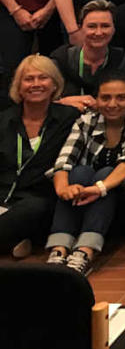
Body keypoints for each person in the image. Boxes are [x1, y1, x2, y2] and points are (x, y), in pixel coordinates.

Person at [44, 70, 125, 274]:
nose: (112, 104)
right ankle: (59, 249)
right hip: (86, 200)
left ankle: (84, 252)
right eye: (105, 97)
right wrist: (64, 189)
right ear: (96, 98)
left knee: (106, 172)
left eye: (121, 97)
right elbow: (64, 160)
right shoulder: (86, 121)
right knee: (79, 173)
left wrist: (98, 189)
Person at [0, 56, 79, 257]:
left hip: (38, 200)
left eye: (43, 78)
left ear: (55, 84)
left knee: (34, 207)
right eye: (28, 79)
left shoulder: (69, 118)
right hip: (2, 197)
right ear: (19, 87)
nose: (36, 84)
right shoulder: (4, 120)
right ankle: (13, 241)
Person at [50, 0, 125, 109]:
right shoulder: (60, 59)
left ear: (114, 29)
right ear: (80, 28)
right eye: (92, 26)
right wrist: (64, 102)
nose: (98, 32)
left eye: (105, 26)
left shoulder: (123, 61)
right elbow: (44, 101)